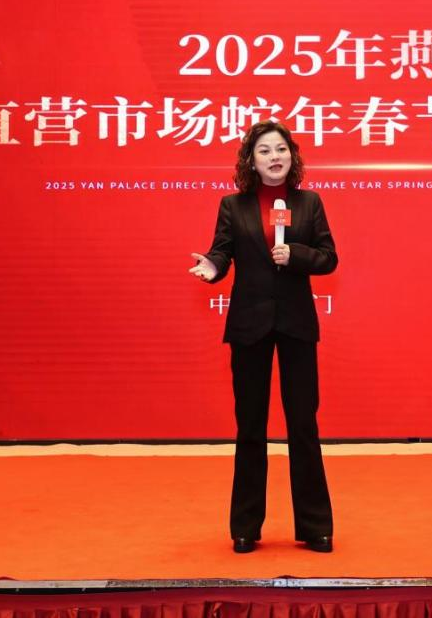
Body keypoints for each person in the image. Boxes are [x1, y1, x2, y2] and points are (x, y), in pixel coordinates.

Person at [188, 121, 337, 554]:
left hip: (296, 324)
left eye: (281, 149)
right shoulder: (233, 206)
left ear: (292, 156)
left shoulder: (310, 203)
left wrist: (297, 255)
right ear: (251, 161)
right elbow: (222, 251)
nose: (275, 157)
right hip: (249, 326)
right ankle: (246, 526)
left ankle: (315, 526)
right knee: (250, 426)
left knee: (303, 425)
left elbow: (329, 257)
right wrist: (213, 267)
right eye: (265, 151)